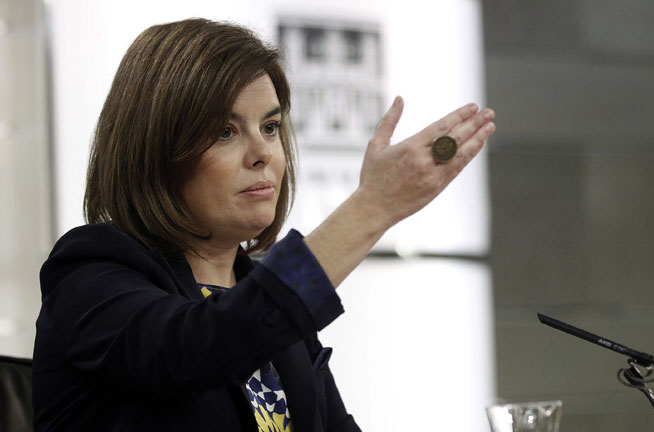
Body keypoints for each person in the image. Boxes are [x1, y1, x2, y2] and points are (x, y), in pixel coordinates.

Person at [32, 18, 495, 432]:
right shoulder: (90, 273)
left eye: (270, 127)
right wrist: (372, 207)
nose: (264, 154)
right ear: (155, 151)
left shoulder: (267, 300)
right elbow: (207, 345)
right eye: (226, 132)